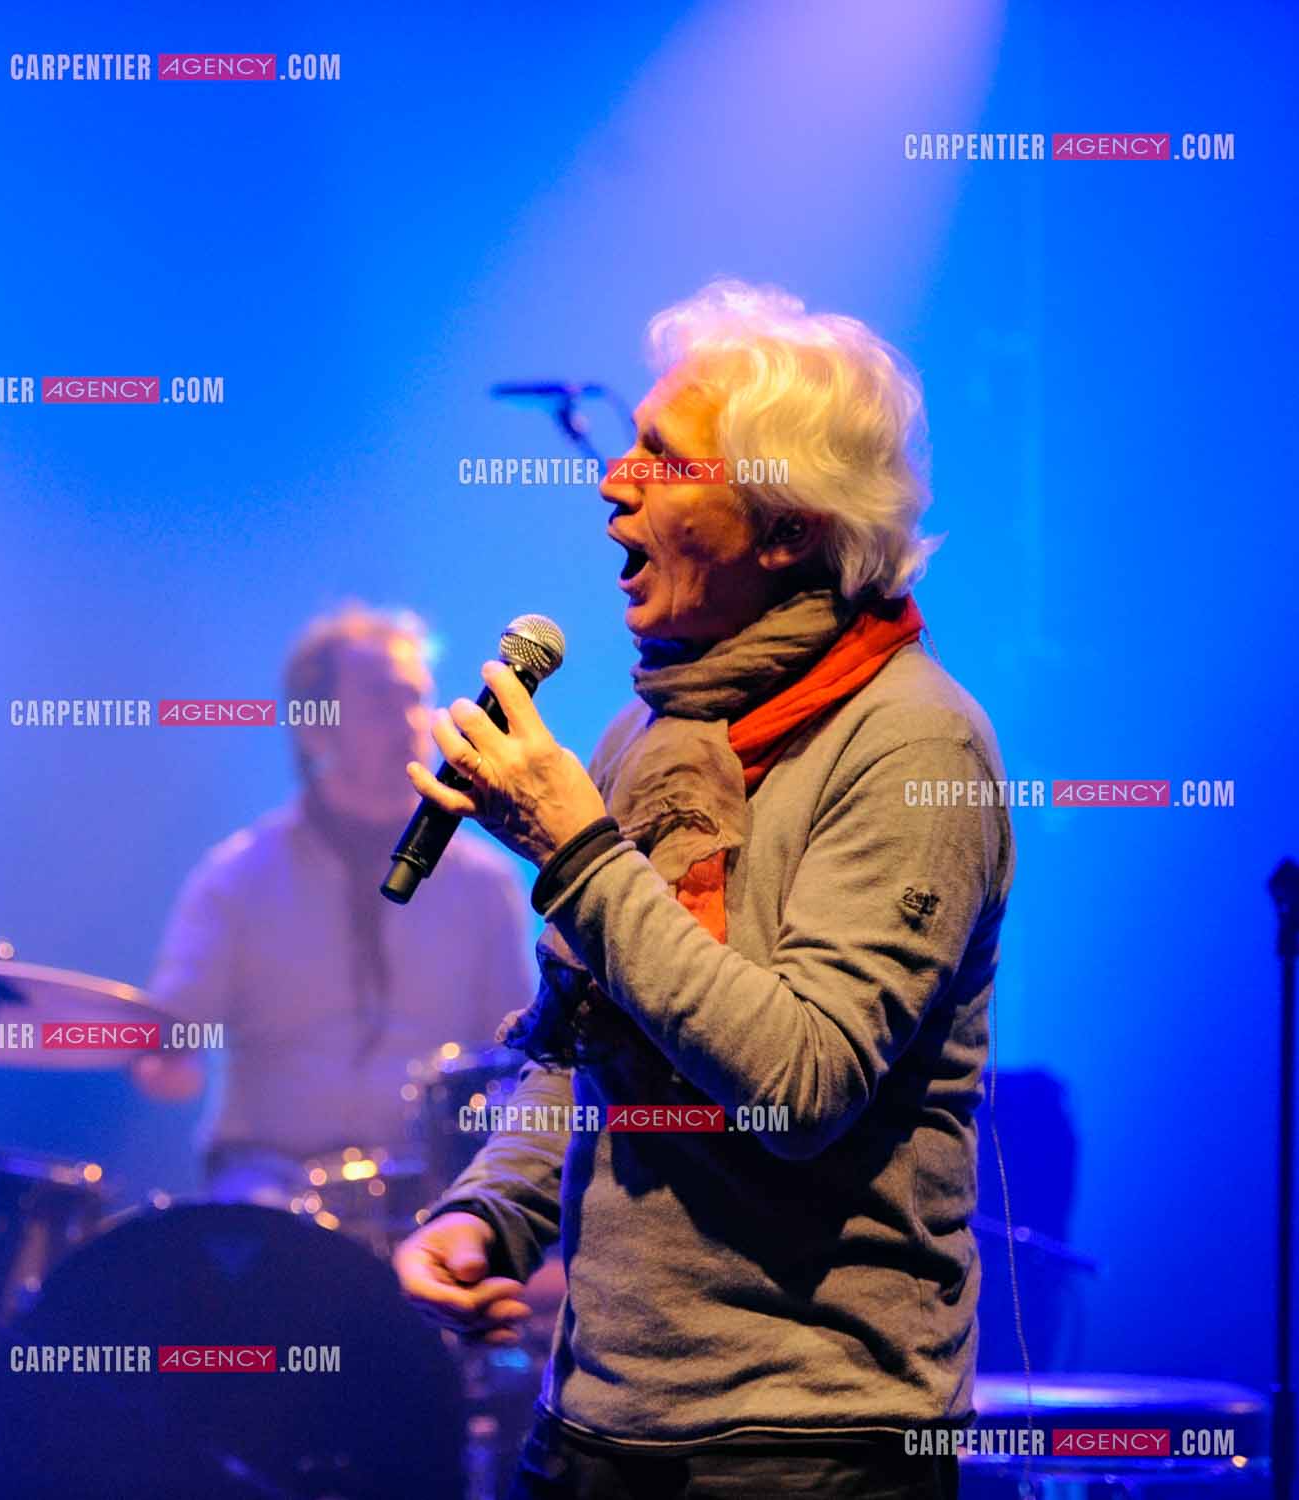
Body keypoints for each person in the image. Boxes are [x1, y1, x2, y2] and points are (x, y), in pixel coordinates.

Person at [392, 279, 1012, 1500]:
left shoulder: (911, 749)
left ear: (782, 527)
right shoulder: (652, 736)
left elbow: (801, 1084)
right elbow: (588, 1049)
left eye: (661, 462)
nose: (612, 481)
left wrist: (575, 855)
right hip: (599, 1431)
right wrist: (488, 1214)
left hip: (807, 1445)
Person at [136, 605, 538, 1205]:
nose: (409, 721)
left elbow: (514, 1062)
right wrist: (164, 1059)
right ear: (315, 727)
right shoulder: (239, 876)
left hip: (430, 1193)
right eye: (380, 701)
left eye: (416, 698)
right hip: (268, 1187)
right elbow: (170, 1033)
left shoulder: (485, 884)